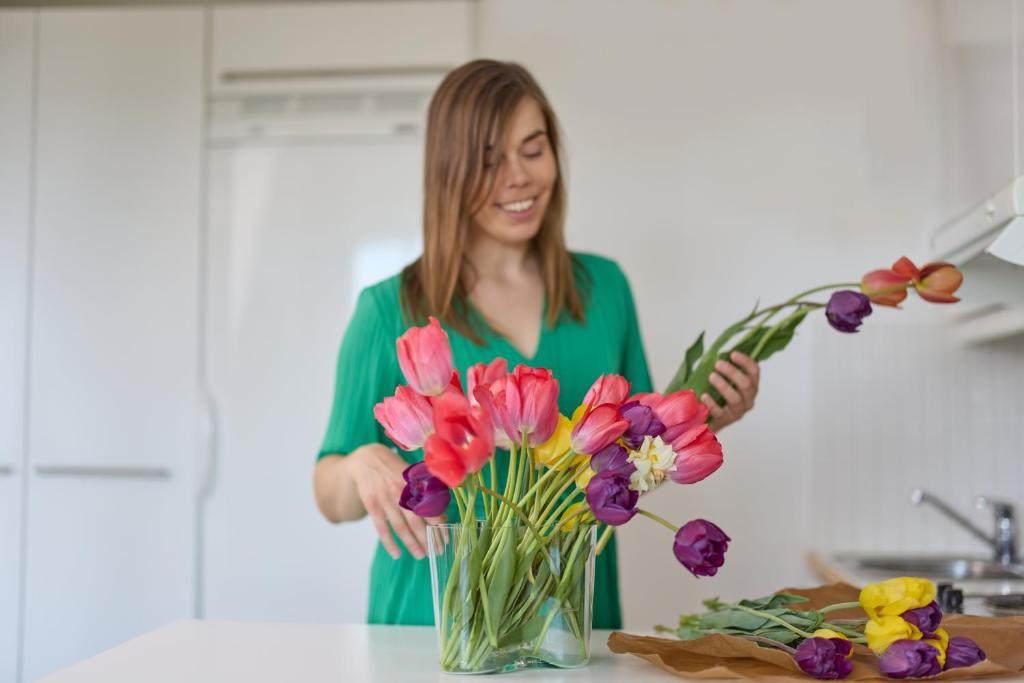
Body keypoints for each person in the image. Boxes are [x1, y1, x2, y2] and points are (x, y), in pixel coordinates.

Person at [313, 59, 761, 629]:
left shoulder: (605, 290)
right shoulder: (386, 310)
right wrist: (359, 465)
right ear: (448, 171)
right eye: (489, 161)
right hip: (431, 626)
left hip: (569, 625)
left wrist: (701, 422)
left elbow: (627, 466)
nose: (519, 177)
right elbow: (328, 496)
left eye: (533, 149)